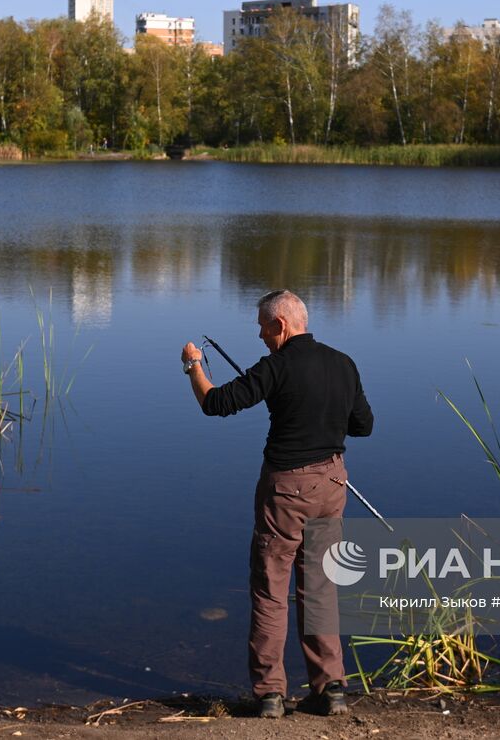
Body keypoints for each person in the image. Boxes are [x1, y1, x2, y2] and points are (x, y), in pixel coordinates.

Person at [181, 289, 373, 718]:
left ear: (281, 325)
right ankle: (331, 689)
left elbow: (215, 403)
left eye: (263, 328)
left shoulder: (276, 366)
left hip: (286, 490)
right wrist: (322, 418)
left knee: (271, 590)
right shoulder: (343, 363)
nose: (261, 336)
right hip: (333, 484)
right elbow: (364, 426)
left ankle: (270, 694)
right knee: (321, 588)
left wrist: (193, 365)